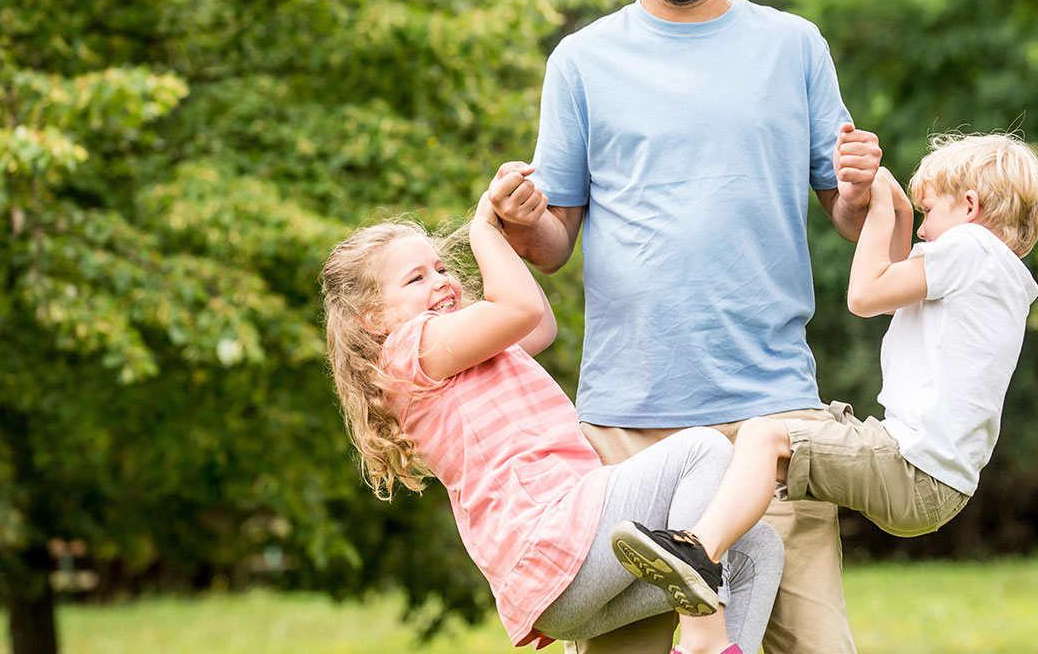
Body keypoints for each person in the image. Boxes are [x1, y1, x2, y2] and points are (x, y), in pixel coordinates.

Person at [488, 0, 879, 652]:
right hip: (633, 436)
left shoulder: (794, 46)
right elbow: (554, 242)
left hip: (772, 423)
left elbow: (844, 212)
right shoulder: (582, 62)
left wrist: (862, 187)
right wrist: (522, 220)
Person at [319, 172, 785, 654]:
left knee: (756, 548)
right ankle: (703, 641)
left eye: (440, 268)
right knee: (700, 450)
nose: (440, 281)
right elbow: (519, 308)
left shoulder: (458, 347)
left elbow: (538, 324)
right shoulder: (408, 350)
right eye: (416, 278)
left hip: (575, 564)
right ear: (372, 318)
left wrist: (496, 235)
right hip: (548, 541)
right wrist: (483, 231)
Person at [607, 133, 1038, 609]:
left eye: (928, 213)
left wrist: (880, 209)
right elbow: (892, 281)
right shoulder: (991, 272)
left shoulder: (970, 250)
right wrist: (897, 210)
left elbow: (865, 296)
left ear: (969, 206)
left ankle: (700, 554)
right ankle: (707, 573)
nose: (923, 230)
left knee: (764, 436)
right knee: (795, 427)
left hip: (913, 468)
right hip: (930, 476)